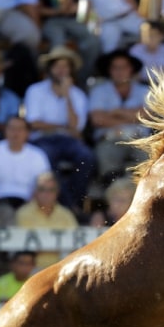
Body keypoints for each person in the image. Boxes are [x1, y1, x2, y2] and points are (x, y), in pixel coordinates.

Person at [24, 46, 96, 212]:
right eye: (58, 66)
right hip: (42, 139)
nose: (61, 70)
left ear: (71, 70)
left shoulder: (77, 95)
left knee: (87, 157)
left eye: (65, 66)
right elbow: (33, 123)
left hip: (68, 140)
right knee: (47, 158)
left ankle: (75, 204)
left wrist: (67, 97)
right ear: (50, 69)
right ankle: (67, 205)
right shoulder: (35, 90)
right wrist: (62, 126)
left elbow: (76, 128)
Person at [88, 49, 149, 184]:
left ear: (131, 69)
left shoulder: (144, 90)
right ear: (109, 70)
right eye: (115, 67)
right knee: (106, 159)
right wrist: (133, 114)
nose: (119, 71)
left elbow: (147, 116)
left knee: (148, 163)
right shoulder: (99, 91)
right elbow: (97, 119)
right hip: (109, 139)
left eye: (123, 67)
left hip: (139, 140)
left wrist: (116, 112)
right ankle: (110, 196)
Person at [0, 116, 51, 209]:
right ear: (5, 131)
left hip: (29, 205)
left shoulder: (38, 155)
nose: (15, 133)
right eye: (12, 128)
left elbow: (45, 184)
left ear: (27, 133)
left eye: (20, 129)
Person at [15, 172, 78, 269]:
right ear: (35, 192)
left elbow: (75, 244)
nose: (46, 194)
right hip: (31, 269)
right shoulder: (23, 214)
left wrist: (44, 247)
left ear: (57, 192)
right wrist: (58, 247)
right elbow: (25, 247)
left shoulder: (66, 215)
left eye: (51, 190)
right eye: (42, 189)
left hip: (62, 267)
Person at [38, 0, 100, 85]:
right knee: (58, 44)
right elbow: (38, 9)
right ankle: (54, 82)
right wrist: (57, 11)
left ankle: (82, 80)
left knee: (92, 42)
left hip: (73, 21)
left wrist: (78, 9)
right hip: (50, 21)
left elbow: (84, 7)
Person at [129, 20, 164, 85]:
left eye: (154, 34)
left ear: (162, 36)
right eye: (146, 34)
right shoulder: (135, 50)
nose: (149, 37)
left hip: (162, 85)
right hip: (139, 85)